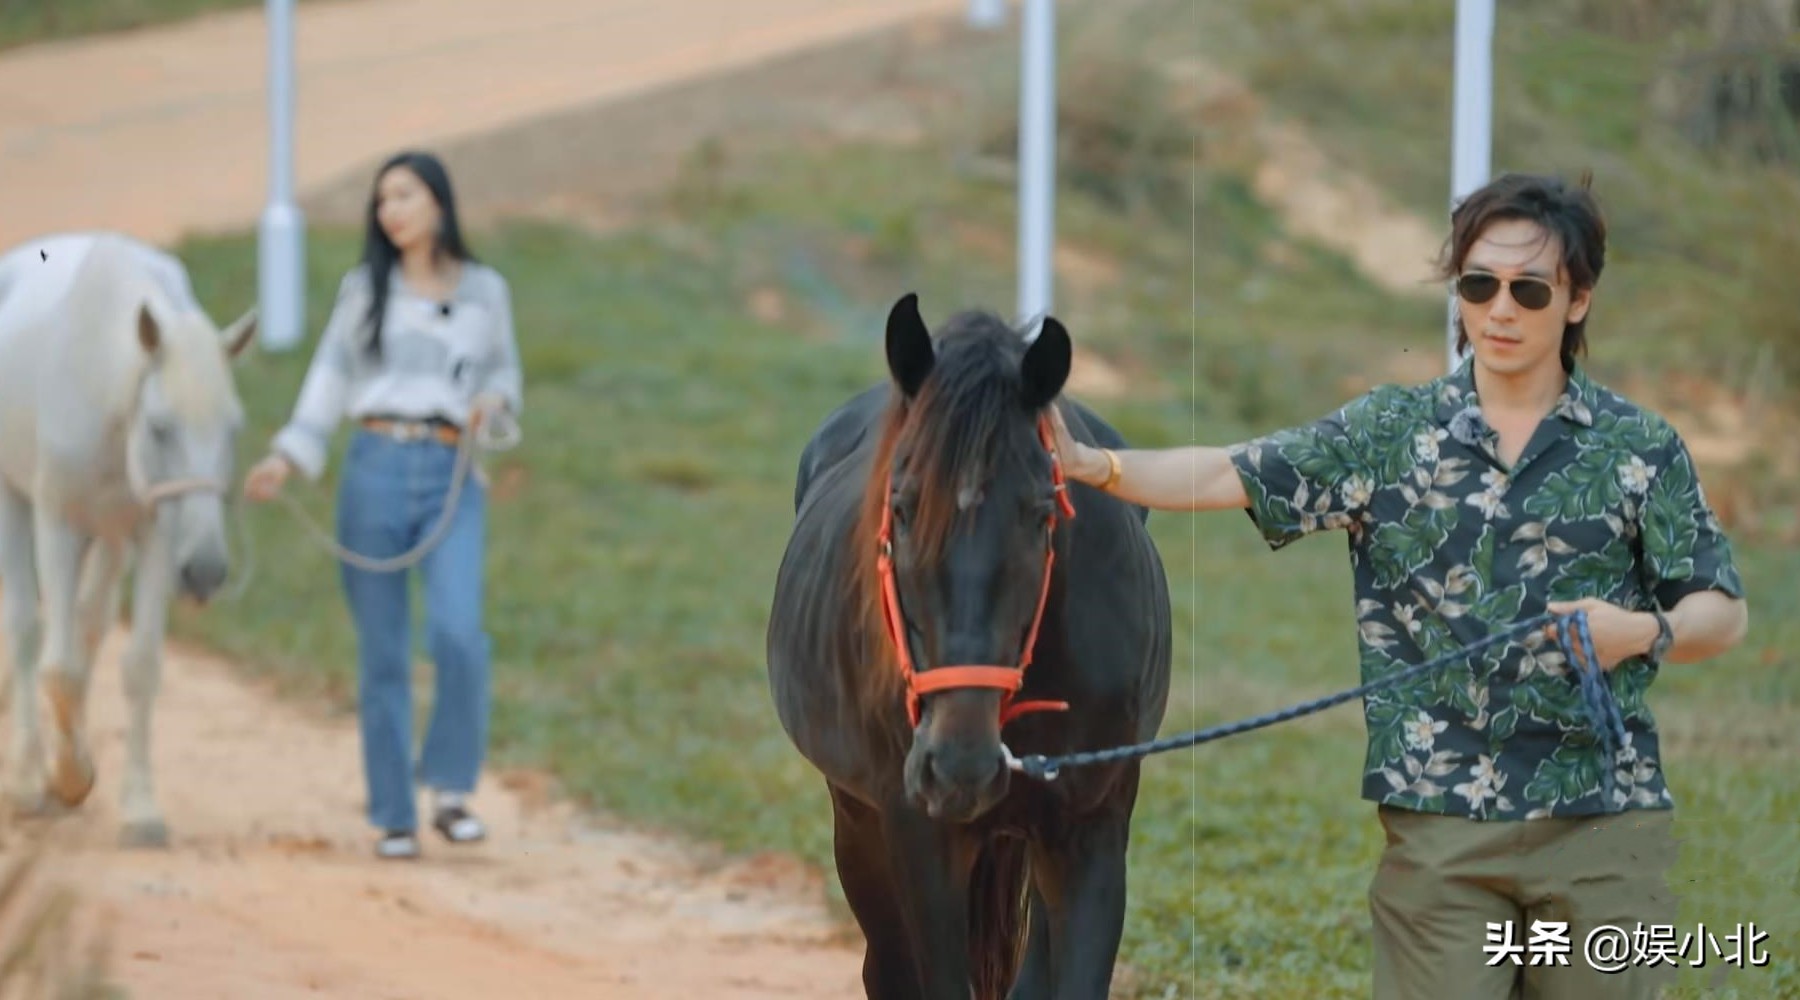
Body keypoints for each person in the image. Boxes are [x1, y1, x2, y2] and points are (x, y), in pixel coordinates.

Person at [1049, 172, 1748, 999]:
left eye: (1529, 290)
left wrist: (1643, 633)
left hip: (1602, 830)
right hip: (1441, 843)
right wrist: (1103, 466)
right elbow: (1228, 472)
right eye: (1478, 284)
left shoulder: (1640, 447)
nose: (1499, 311)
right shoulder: (1390, 434)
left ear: (1579, 300)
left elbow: (1720, 609)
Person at [243, 150, 523, 861]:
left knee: (460, 634)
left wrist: (493, 408)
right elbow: (327, 381)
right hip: (373, 468)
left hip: (452, 472)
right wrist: (287, 456)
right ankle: (394, 813)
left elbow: (504, 378)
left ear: (438, 200)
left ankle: (452, 790)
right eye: (381, 201)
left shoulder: (487, 290)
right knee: (384, 651)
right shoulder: (364, 290)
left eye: (403, 195)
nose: (389, 210)